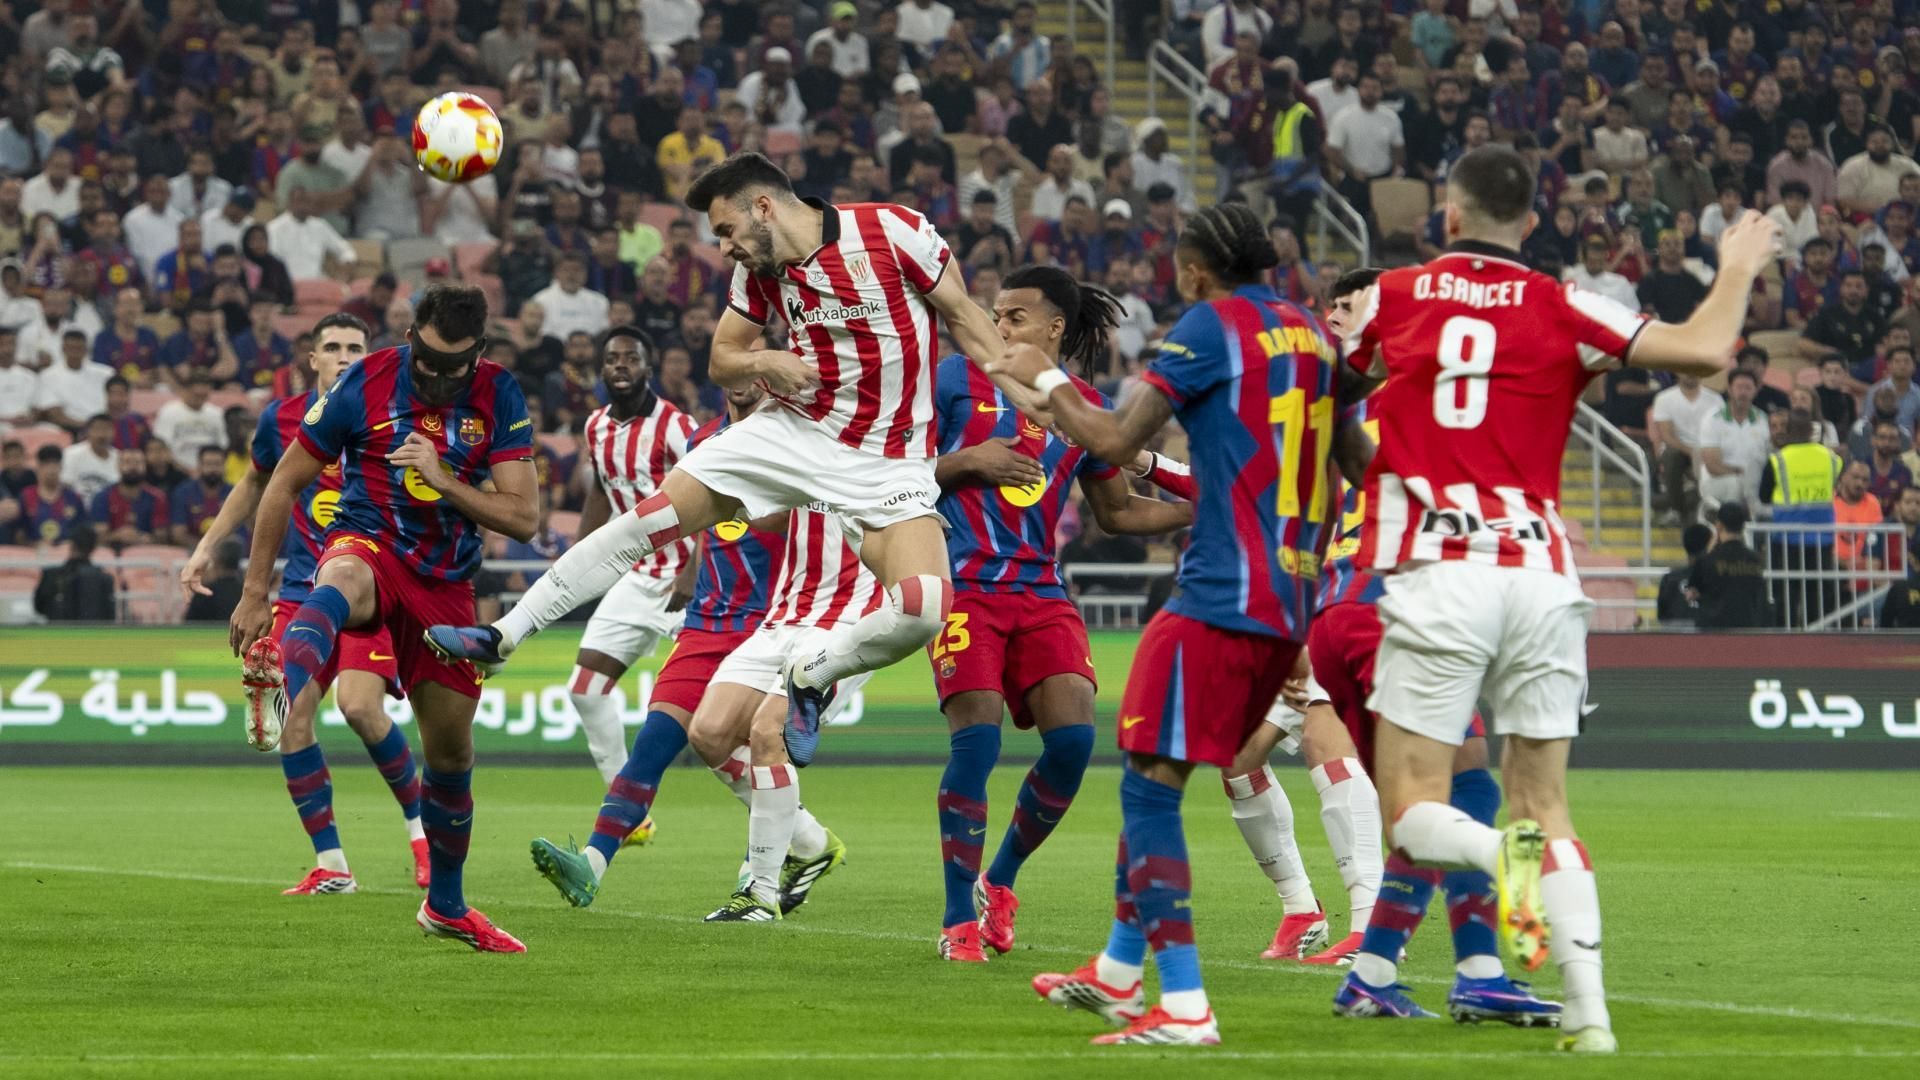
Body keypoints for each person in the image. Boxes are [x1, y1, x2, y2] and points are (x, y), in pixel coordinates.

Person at [1329, 146, 1780, 1052]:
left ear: (1448, 217)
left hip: (1439, 570)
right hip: (1542, 574)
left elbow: (1330, 395)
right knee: (1546, 804)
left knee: (1415, 806)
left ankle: (1501, 860)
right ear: (1532, 224)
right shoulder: (1564, 304)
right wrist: (1735, 266)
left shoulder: (1396, 296)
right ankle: (1590, 1013)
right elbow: (1700, 348)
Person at [427, 152, 1022, 783]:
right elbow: (722, 359)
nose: (723, 246)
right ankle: (503, 636)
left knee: (925, 609)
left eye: (727, 230)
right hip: (794, 431)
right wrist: (769, 362)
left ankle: (810, 674)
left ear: (763, 208)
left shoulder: (893, 231)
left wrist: (1034, 389)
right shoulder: (760, 274)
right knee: (649, 519)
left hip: (890, 456)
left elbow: (963, 316)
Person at [993, 204, 1361, 1045]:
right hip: (1293, 594)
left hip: (1220, 592)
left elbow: (1115, 439)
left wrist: (1045, 377)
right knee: (1165, 771)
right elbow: (1357, 461)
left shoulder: (1210, 326)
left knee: (1147, 788)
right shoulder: (1311, 333)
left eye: (1178, 267)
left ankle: (1184, 1005)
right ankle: (1121, 971)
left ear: (1196, 271)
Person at [230, 285, 538, 952]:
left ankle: (446, 907)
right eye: (422, 357)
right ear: (411, 338)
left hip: (447, 584)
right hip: (369, 542)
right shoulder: (366, 382)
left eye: (448, 365)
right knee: (340, 575)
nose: (431, 373)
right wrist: (256, 592)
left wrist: (446, 477)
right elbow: (280, 482)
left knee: (452, 755)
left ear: (476, 355)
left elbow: (522, 517)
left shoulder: (498, 393)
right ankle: (279, 675)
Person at [925, 267, 1193, 962]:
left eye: (1014, 317)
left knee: (1074, 744)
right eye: (994, 313)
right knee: (976, 743)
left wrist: (1207, 509)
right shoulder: (954, 379)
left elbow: (1118, 511)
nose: (998, 326)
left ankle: (1000, 881)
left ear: (1053, 329)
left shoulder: (1082, 408)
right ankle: (958, 920)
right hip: (967, 588)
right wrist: (963, 462)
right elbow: (887, 475)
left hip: (1042, 594)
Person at [526, 382, 851, 920]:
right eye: (738, 364)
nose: (748, 381)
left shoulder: (801, 446)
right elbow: (698, 521)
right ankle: (591, 863)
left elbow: (809, 525)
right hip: (707, 622)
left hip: (767, 619)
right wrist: (691, 575)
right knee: (655, 745)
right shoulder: (705, 439)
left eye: (762, 370)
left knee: (758, 741)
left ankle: (764, 875)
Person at [179, 312, 426, 894]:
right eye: (333, 346)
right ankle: (333, 865)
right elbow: (256, 483)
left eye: (355, 347)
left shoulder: (391, 413)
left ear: (369, 357)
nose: (344, 355)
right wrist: (206, 548)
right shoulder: (283, 419)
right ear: (310, 359)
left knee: (363, 709)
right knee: (290, 718)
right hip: (302, 592)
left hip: (367, 591)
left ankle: (424, 838)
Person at [565, 327, 699, 787]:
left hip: (688, 580)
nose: (620, 365)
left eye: (631, 358)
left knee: (711, 726)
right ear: (601, 369)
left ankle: (797, 830)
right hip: (639, 576)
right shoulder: (595, 426)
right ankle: (627, 806)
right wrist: (576, 563)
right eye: (612, 358)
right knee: (585, 690)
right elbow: (602, 490)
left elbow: (719, 495)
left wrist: (693, 572)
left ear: (649, 366)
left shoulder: (677, 426)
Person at [1757, 411, 1843, 626]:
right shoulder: (1831, 458)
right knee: (1818, 597)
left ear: (1788, 432)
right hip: (1822, 540)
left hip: (1786, 539)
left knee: (1785, 597)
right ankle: (1818, 644)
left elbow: (1763, 496)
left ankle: (1783, 646)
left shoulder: (1778, 460)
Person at [1692, 500, 1769, 627]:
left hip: (1713, 631)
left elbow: (1693, 592)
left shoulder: (1707, 560)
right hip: (1748, 630)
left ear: (1719, 525)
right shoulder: (1755, 560)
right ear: (1743, 526)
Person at [34, 520, 115, 620]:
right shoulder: (105, 579)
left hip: (58, 634)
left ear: (71, 545)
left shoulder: (51, 575)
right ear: (94, 548)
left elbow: (39, 608)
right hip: (94, 634)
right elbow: (110, 615)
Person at [1658, 524, 1714, 625]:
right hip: (1708, 638)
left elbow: (1662, 617)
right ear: (1708, 547)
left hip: (1675, 638)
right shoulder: (1716, 579)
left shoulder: (1669, 579)